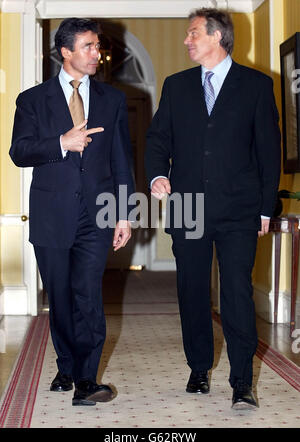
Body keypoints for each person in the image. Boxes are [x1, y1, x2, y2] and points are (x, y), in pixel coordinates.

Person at [145, 8, 281, 410]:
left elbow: (269, 154)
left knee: (237, 292)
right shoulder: (176, 86)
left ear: (218, 37)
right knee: (191, 290)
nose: (187, 41)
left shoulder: (256, 85)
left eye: (193, 34)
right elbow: (157, 140)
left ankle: (242, 382)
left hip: (240, 208)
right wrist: (156, 177)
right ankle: (199, 367)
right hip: (187, 205)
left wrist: (263, 209)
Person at [10, 18, 135, 407]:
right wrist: (61, 142)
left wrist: (124, 214)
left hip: (97, 214)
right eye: (88, 46)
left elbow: (121, 160)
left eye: (98, 46)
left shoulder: (113, 100)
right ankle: (66, 365)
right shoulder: (32, 100)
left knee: (88, 296)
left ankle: (85, 379)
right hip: (51, 214)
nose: (97, 53)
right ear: (65, 52)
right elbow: (19, 152)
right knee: (61, 299)